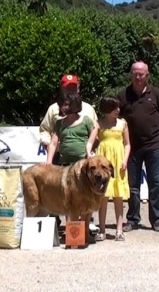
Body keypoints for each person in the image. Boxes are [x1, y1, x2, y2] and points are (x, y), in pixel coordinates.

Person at [39, 73, 99, 233]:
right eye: (67, 88)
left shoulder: (88, 111)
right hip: (64, 162)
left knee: (86, 193)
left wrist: (89, 148)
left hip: (83, 163)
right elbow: (50, 138)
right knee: (67, 195)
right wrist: (49, 160)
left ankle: (85, 228)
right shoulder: (54, 111)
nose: (70, 91)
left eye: (73, 88)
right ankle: (70, 230)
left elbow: (95, 131)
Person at [118, 61, 159, 232]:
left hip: (154, 146)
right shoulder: (123, 95)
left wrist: (154, 132)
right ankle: (133, 219)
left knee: (155, 185)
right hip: (131, 148)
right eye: (135, 73)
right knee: (132, 186)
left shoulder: (156, 94)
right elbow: (117, 119)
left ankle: (156, 220)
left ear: (147, 75)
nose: (138, 77)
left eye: (141, 74)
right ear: (130, 74)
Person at [87, 95, 131, 242]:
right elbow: (90, 143)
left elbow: (127, 144)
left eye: (118, 107)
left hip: (118, 163)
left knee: (118, 197)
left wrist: (125, 160)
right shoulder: (99, 123)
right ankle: (102, 230)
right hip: (103, 161)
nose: (118, 110)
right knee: (103, 197)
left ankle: (119, 230)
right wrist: (89, 155)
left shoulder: (122, 124)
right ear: (107, 109)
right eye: (114, 108)